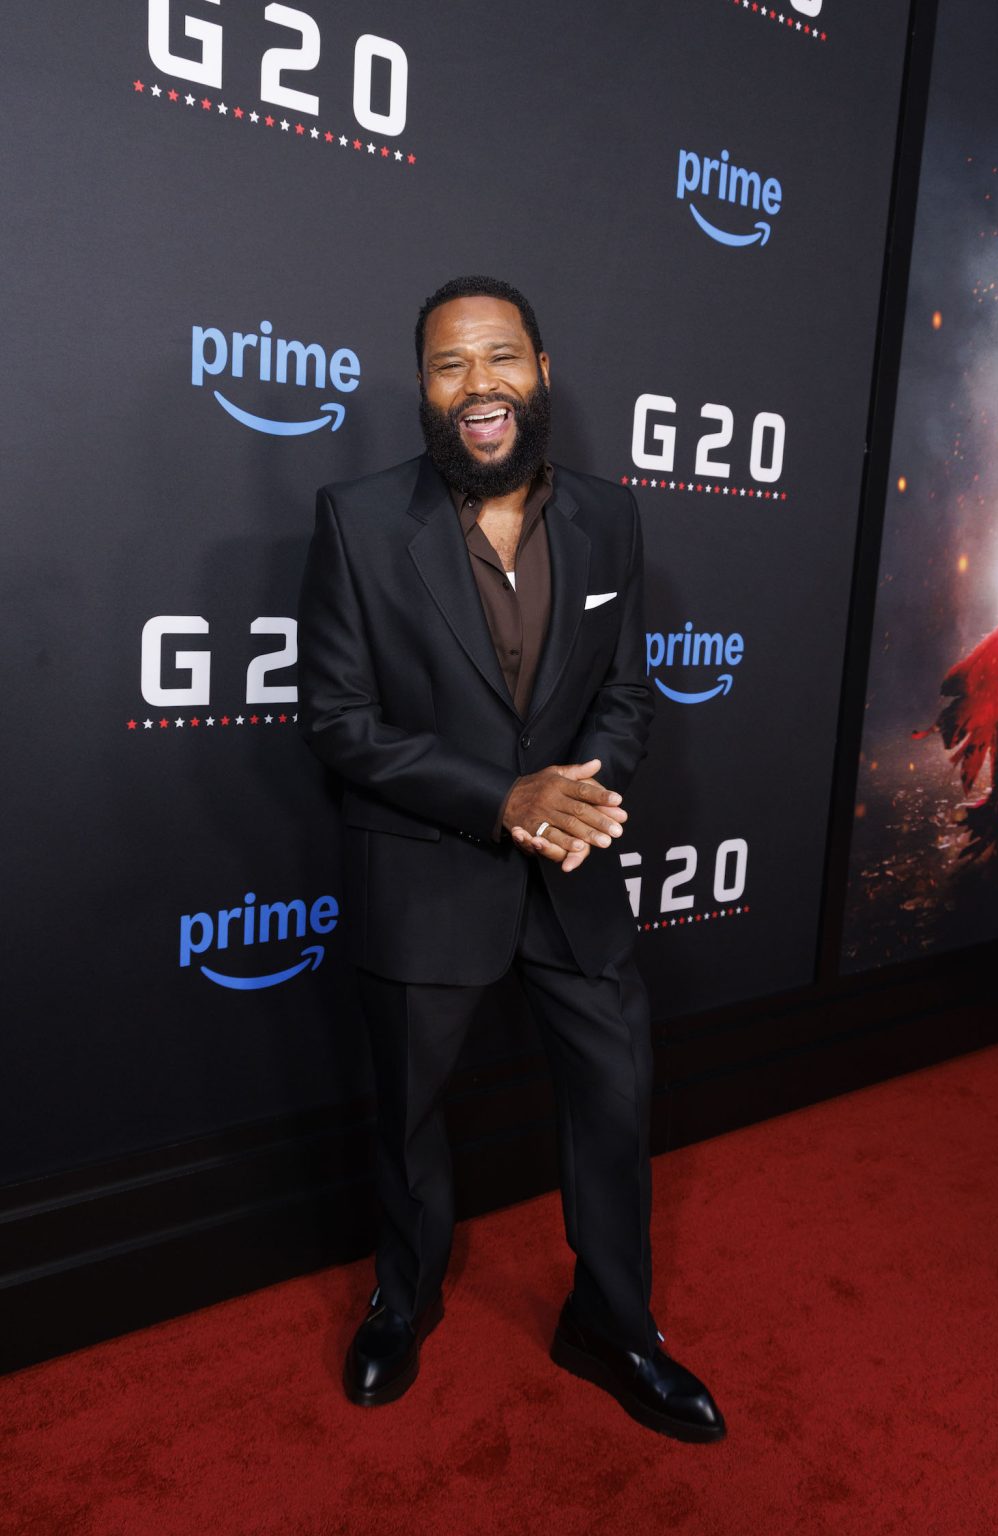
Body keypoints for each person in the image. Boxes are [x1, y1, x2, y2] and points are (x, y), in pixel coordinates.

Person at [297, 275, 725, 1443]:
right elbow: (338, 721)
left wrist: (571, 802)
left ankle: (614, 1325)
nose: (476, 384)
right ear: (423, 389)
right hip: (426, 875)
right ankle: (404, 1301)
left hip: (571, 877)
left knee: (615, 1101)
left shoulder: (609, 516)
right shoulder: (356, 519)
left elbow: (626, 695)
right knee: (409, 1117)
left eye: (499, 357)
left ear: (541, 372)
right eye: (449, 365)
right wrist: (501, 801)